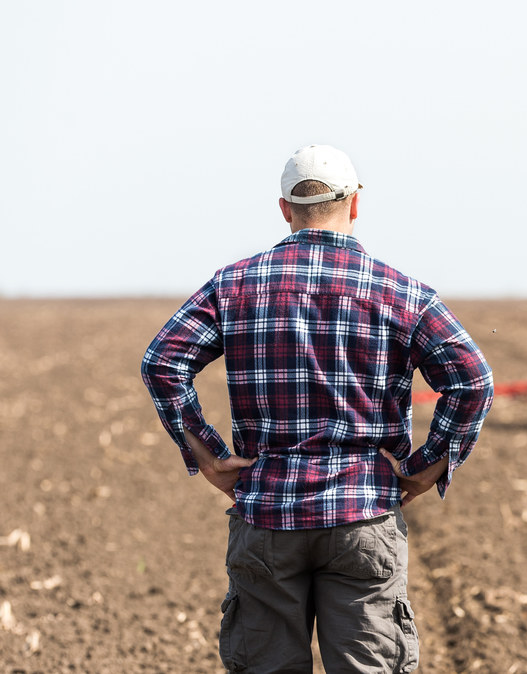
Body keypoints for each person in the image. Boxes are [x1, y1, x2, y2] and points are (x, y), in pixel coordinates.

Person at [140, 144, 494, 673]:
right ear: (356, 205)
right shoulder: (402, 292)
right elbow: (473, 380)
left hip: (267, 516)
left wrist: (210, 457)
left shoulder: (233, 285)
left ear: (285, 209)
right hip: (364, 517)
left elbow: (163, 361)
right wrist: (426, 469)